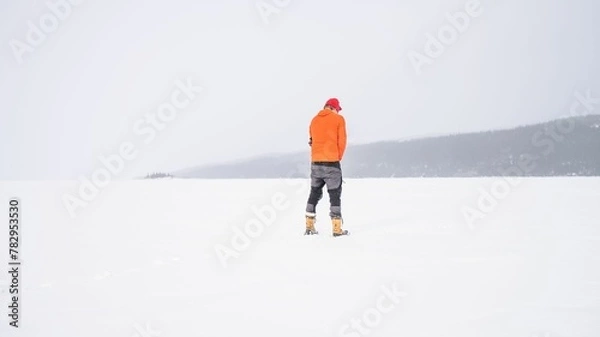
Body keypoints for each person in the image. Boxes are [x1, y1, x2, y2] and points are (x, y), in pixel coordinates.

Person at [304, 98, 349, 237]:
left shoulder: (314, 120)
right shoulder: (339, 119)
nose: (338, 111)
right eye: (338, 109)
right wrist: (337, 157)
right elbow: (342, 141)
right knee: (334, 195)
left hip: (316, 163)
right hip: (332, 162)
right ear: (334, 107)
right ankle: (336, 229)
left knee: (314, 193)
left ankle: (309, 226)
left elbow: (311, 141)